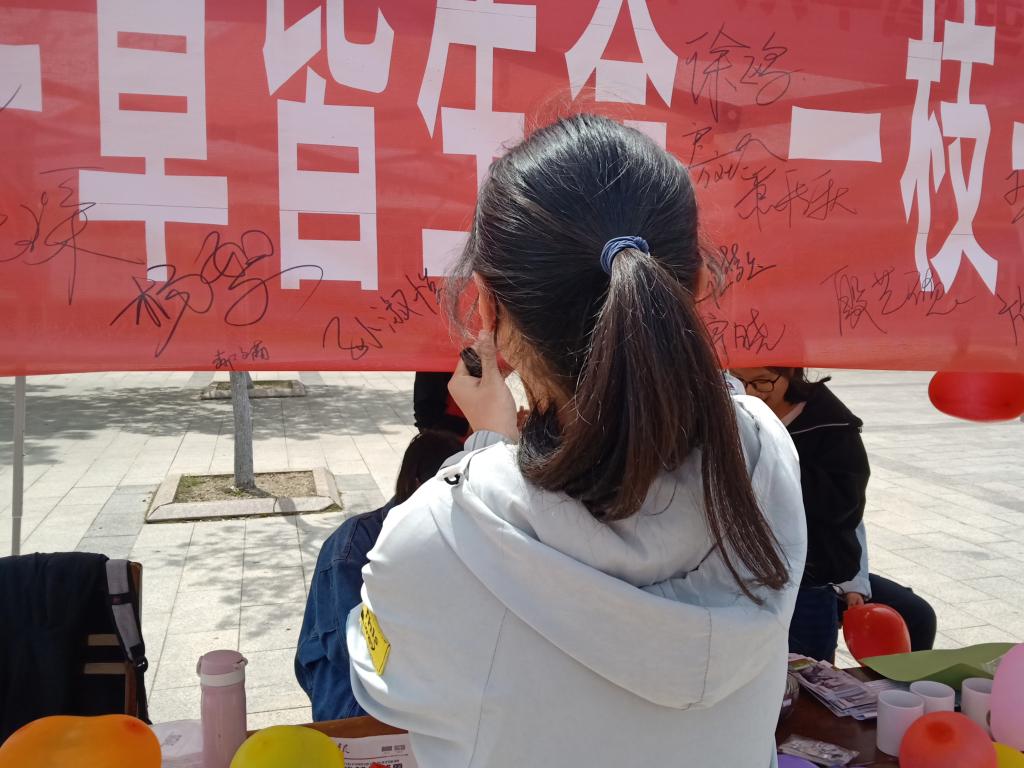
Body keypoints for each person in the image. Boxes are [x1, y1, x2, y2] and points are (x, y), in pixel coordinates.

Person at [345, 114, 807, 768]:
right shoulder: (765, 457)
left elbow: (379, 682)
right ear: (700, 286)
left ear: (487, 309)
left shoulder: (431, 537)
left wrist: (487, 447)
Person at [294, 429, 465, 721]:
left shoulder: (454, 535)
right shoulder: (354, 545)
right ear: (417, 484)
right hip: (354, 696)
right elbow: (356, 651)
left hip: (421, 689)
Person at [730, 367, 867, 662]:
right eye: (739, 379)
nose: (750, 391)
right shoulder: (737, 412)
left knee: (806, 673)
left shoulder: (831, 424)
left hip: (806, 580)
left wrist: (773, 464)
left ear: (790, 371)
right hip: (744, 577)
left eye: (762, 382)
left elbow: (845, 505)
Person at [836, 523, 937, 651]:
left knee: (919, 614)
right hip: (814, 582)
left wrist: (854, 585)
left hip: (840, 573)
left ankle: (911, 664)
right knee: (821, 632)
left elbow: (850, 526)